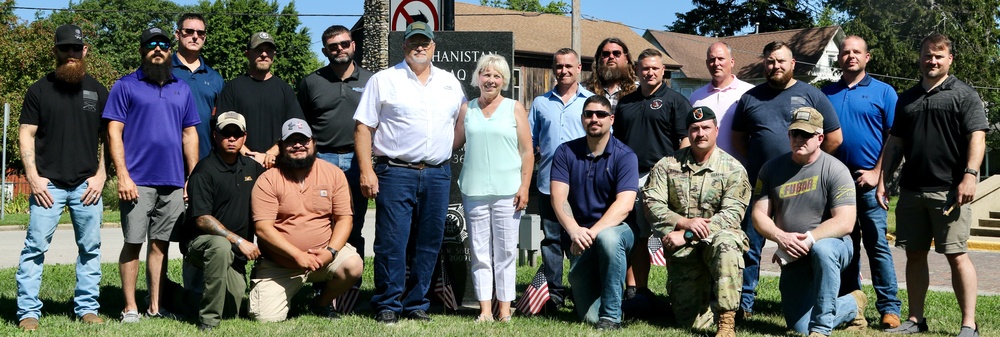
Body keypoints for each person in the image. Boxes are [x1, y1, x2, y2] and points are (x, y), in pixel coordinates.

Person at [354, 21, 465, 324]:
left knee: (429, 241)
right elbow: (364, 127)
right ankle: (388, 302)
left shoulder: (449, 83)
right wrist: (367, 170)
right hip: (395, 172)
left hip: (437, 174)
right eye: (414, 41)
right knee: (393, 240)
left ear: (433, 47)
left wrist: (440, 151)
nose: (420, 46)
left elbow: (461, 123)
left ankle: (417, 302)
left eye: (425, 42)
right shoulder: (384, 80)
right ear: (403, 46)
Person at [880, 33, 986, 337]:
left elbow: (977, 137)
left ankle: (969, 324)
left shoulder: (963, 94)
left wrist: (970, 174)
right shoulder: (907, 98)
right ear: (920, 58)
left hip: (950, 190)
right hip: (912, 190)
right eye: (928, 55)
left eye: (939, 55)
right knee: (914, 254)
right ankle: (915, 319)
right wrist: (882, 180)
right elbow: (896, 143)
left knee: (956, 254)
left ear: (949, 59)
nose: (932, 60)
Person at [731, 41, 842, 318]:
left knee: (810, 243)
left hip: (806, 187)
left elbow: (834, 138)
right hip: (762, 185)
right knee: (750, 246)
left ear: (793, 64)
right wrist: (769, 166)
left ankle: (821, 299)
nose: (775, 66)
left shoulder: (811, 94)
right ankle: (745, 304)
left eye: (781, 61)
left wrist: (808, 166)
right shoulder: (750, 98)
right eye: (770, 61)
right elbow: (738, 140)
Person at [15, 24, 109, 331]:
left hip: (87, 186)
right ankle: (28, 312)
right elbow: (26, 134)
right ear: (55, 51)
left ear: (85, 51)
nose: (71, 53)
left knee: (90, 249)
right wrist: (33, 177)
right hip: (48, 185)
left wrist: (101, 175)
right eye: (64, 48)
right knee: (34, 249)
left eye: (76, 48)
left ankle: (87, 308)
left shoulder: (97, 90)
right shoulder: (38, 90)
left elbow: (110, 138)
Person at [103, 27, 200, 323]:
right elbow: (113, 131)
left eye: (163, 44)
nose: (157, 49)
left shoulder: (181, 88)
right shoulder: (126, 85)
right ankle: (130, 307)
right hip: (137, 180)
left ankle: (155, 305)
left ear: (170, 51)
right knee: (133, 242)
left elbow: (189, 134)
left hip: (171, 180)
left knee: (160, 244)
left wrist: (191, 178)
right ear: (142, 50)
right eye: (151, 45)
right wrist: (123, 175)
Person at [752, 107, 865, 337]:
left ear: (820, 138)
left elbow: (845, 222)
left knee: (822, 250)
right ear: (788, 136)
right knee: (800, 326)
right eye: (795, 133)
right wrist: (781, 238)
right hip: (793, 250)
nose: (799, 139)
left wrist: (809, 239)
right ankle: (853, 303)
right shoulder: (771, 168)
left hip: (833, 245)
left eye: (806, 134)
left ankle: (821, 330)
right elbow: (758, 215)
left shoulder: (836, 170)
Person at [642, 106, 751, 337]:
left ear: (716, 130)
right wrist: (683, 223)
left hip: (717, 240)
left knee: (727, 245)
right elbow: (652, 203)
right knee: (688, 322)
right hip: (683, 249)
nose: (700, 133)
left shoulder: (734, 169)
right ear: (688, 133)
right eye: (694, 129)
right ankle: (711, 301)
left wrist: (688, 234)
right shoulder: (667, 165)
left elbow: (731, 216)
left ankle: (726, 323)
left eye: (705, 128)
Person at [821, 35, 902, 329]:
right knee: (844, 245)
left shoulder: (884, 92)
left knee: (877, 244)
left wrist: (877, 174)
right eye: (845, 52)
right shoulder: (826, 93)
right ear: (839, 58)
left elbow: (894, 138)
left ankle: (889, 308)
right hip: (835, 184)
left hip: (868, 181)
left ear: (867, 58)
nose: (850, 56)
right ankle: (849, 304)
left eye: (857, 52)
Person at [248, 118, 364, 322]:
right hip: (280, 263)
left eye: (304, 140)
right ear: (282, 146)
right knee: (266, 318)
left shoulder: (334, 174)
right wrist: (298, 255)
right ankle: (281, 293)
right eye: (291, 141)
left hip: (323, 258)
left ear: (313, 142)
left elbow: (344, 218)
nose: (298, 145)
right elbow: (263, 229)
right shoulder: (268, 179)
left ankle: (321, 303)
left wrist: (330, 252)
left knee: (353, 265)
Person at [453, 54, 533, 322]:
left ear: (504, 81)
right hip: (474, 191)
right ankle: (485, 311)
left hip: (508, 191)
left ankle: (505, 311)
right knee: (480, 252)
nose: (491, 80)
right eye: (486, 74)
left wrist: (524, 186)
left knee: (507, 252)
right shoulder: (468, 109)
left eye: (496, 76)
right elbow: (451, 143)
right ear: (477, 78)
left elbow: (527, 151)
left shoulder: (514, 108)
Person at [551, 95, 638, 330]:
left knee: (608, 239)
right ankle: (631, 305)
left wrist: (592, 233)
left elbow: (625, 204)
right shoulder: (565, 152)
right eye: (588, 114)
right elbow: (558, 198)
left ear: (611, 119)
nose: (594, 119)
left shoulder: (625, 155)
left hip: (616, 230)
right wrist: (574, 230)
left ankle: (611, 317)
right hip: (579, 236)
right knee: (589, 317)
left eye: (600, 114)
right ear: (582, 119)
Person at [614, 48, 692, 308]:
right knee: (636, 236)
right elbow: (618, 142)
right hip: (629, 179)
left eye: (654, 68)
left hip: (664, 179)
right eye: (644, 68)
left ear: (663, 71)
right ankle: (637, 291)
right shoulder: (625, 103)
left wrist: (679, 177)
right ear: (636, 70)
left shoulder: (676, 102)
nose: (649, 72)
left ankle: (679, 291)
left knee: (670, 235)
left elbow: (684, 141)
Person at [298, 25, 374, 270]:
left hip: (358, 161)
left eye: (344, 44)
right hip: (322, 160)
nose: (339, 49)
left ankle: (350, 285)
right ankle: (323, 284)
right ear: (324, 50)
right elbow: (302, 126)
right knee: (321, 223)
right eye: (333, 46)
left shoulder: (372, 80)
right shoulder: (311, 82)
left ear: (353, 45)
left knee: (354, 221)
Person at [180, 112, 265, 331]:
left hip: (235, 255)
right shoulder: (204, 170)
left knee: (232, 310)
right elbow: (201, 219)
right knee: (220, 246)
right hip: (202, 246)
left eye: (236, 134)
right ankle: (208, 321)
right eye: (226, 133)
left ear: (244, 137)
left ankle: (173, 295)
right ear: (215, 135)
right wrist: (238, 241)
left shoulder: (252, 168)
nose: (231, 138)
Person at [528, 47, 594, 314]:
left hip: (583, 186)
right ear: (553, 69)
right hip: (547, 184)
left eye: (569, 66)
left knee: (581, 239)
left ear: (579, 68)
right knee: (551, 240)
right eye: (559, 66)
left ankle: (582, 290)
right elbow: (530, 144)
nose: (563, 71)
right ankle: (554, 294)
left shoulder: (591, 103)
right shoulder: (540, 103)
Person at [217, 31, 304, 168]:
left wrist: (271, 153)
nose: (264, 54)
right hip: (239, 166)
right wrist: (250, 155)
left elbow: (295, 130)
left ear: (274, 55)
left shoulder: (285, 90)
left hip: (278, 166)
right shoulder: (232, 88)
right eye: (259, 50)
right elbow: (221, 129)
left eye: (268, 51)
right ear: (247, 54)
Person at [689, 42, 754, 163]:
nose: (716, 63)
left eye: (721, 59)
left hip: (740, 169)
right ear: (707, 64)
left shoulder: (749, 93)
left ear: (732, 62)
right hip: (704, 170)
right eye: (712, 59)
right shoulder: (696, 97)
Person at [171, 13, 223, 160]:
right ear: (177, 34)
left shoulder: (215, 79)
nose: (195, 36)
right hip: (167, 162)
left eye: (200, 33)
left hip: (206, 160)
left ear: (204, 38)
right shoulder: (162, 72)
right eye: (189, 31)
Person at [586, 37, 637, 111]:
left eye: (616, 53)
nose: (611, 57)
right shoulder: (586, 90)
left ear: (626, 59)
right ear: (599, 59)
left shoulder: (637, 91)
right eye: (606, 54)